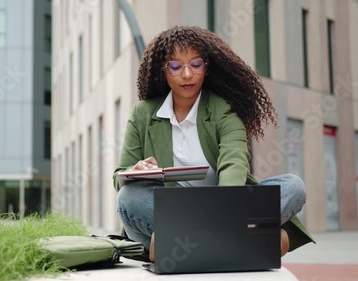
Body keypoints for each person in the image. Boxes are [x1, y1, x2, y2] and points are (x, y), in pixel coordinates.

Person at [113, 26, 314, 261]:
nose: (187, 74)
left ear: (207, 68)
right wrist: (135, 171)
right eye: (176, 66)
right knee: (128, 198)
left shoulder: (224, 108)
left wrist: (219, 210)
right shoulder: (143, 113)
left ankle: (183, 247)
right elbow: (119, 177)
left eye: (195, 65)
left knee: (293, 186)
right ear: (163, 71)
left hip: (228, 201)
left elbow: (234, 162)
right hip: (174, 210)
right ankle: (243, 243)